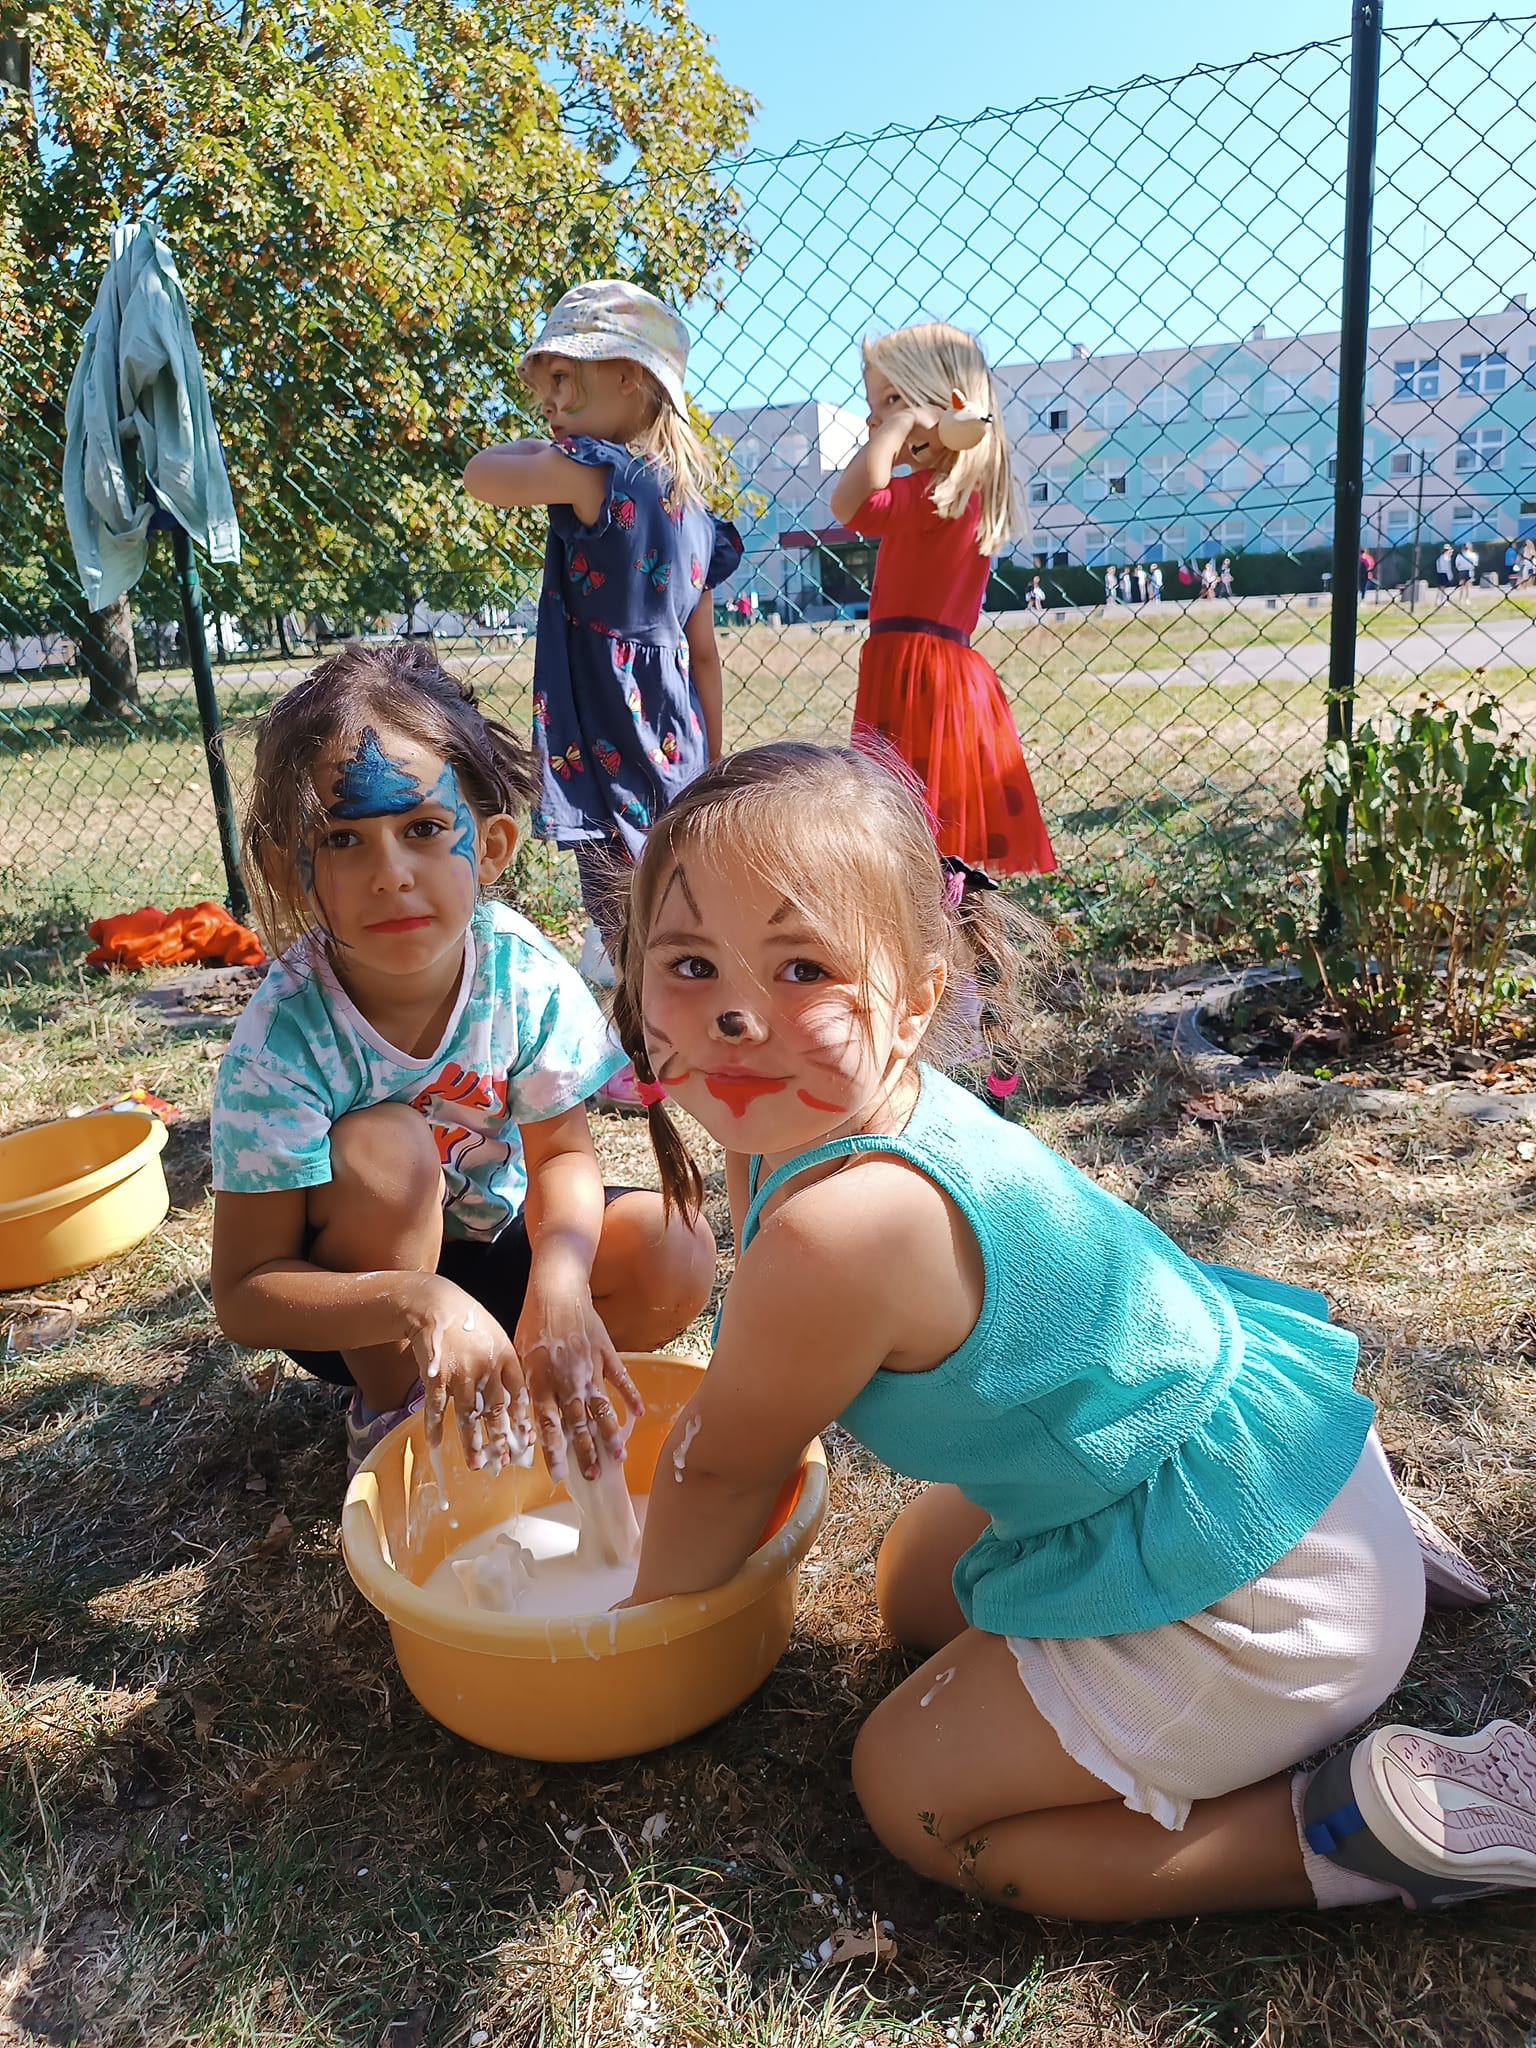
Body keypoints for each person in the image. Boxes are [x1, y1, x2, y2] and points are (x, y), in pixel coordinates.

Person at [609, 739, 1528, 1925]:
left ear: (920, 996)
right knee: (916, 1595)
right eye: (690, 962)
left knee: (915, 1798)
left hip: (1269, 1600)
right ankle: (1367, 1539)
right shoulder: (824, 1110)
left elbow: (729, 1468)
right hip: (1259, 1471)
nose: (736, 1013)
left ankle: (1359, 1828)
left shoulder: (838, 1228)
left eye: (801, 966)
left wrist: (625, 1638)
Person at [208, 642, 715, 1479]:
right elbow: (248, 1291)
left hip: (498, 1246)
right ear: (287, 872)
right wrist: (412, 1302)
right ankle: (397, 1413)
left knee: (677, 1247)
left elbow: (561, 1153)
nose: (391, 875)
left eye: (423, 828)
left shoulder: (517, 969)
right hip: (360, 1305)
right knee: (392, 1151)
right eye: (343, 840)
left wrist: (557, 1282)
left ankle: (528, 1370)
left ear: (490, 847)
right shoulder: (282, 1042)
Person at [462, 279, 743, 1095]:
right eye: (545, 381)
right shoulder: (688, 504)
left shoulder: (596, 470)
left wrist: (548, 447)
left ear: (632, 380)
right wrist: (714, 759)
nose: (549, 402)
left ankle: (647, 1057)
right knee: (667, 887)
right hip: (675, 734)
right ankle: (682, 1030)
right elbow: (705, 652)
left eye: (567, 379)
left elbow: (482, 474)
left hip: (612, 731)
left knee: (622, 901)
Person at [828, 321, 1054, 875]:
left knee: (913, 823)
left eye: (892, 399)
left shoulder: (934, 493)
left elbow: (849, 503)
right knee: (929, 823)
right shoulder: (951, 492)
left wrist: (898, 426)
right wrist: (899, 419)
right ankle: (952, 928)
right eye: (875, 405)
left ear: (945, 406)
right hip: (931, 667)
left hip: (916, 675)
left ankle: (935, 930)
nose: (874, 418)